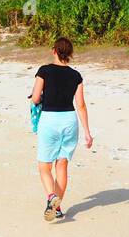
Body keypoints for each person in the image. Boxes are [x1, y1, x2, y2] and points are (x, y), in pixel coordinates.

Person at [29, 37, 92, 222]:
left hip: (50, 120)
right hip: (70, 121)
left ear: (54, 51)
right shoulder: (76, 76)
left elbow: (34, 98)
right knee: (62, 165)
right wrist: (87, 132)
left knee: (44, 166)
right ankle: (57, 208)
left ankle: (51, 198)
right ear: (70, 54)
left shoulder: (44, 70)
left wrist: (41, 97)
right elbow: (81, 105)